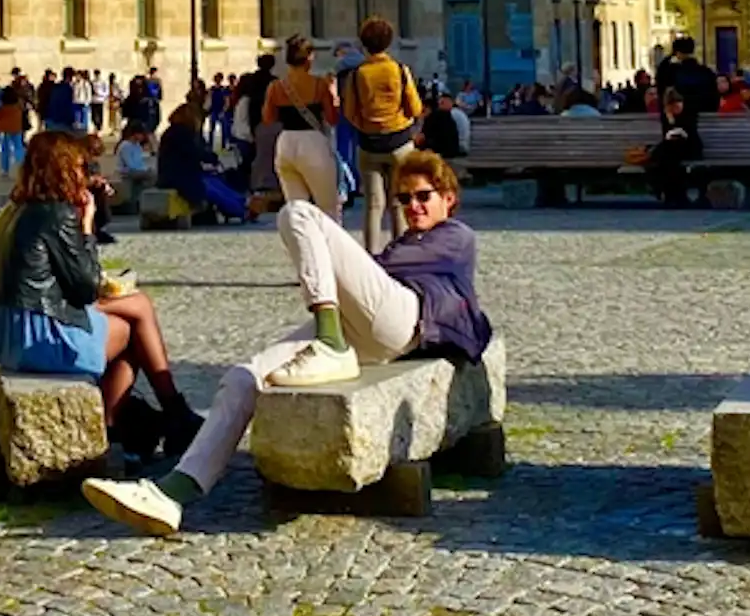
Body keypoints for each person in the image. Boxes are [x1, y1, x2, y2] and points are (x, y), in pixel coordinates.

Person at [82, 150, 492, 536]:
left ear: (449, 199)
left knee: (299, 213)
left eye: (424, 196)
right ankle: (175, 492)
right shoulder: (404, 244)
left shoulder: (458, 236)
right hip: (366, 328)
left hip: (408, 319)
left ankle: (330, 342)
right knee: (243, 377)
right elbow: (368, 271)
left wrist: (336, 260)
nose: (414, 206)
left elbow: (378, 272)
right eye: (405, 198)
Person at [0, 131, 202, 440]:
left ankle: (163, 415)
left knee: (138, 308)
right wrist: (86, 225)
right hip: (40, 339)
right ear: (63, 169)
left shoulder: (14, 211)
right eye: (81, 167)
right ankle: (130, 420)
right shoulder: (55, 214)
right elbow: (85, 287)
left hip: (11, 329)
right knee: (132, 327)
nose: (85, 174)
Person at [343, 16, 426, 252]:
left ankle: (370, 255)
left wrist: (367, 124)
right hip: (399, 141)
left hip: (369, 144)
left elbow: (349, 111)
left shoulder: (357, 74)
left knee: (373, 205)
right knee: (398, 203)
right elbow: (416, 107)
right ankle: (399, 253)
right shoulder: (399, 70)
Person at [265, 35, 341, 210]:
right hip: (313, 142)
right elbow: (332, 118)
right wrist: (333, 95)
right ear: (309, 58)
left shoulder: (276, 87)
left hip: (285, 142)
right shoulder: (319, 84)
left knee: (297, 210)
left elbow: (268, 119)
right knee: (328, 206)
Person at [158, 103, 248, 223]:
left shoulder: (174, 132)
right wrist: (213, 158)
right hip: (179, 178)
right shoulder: (182, 134)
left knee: (215, 184)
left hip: (177, 175)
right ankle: (240, 207)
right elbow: (196, 153)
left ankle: (241, 204)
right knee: (214, 189)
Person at [113, 125, 157, 207]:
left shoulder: (137, 146)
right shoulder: (125, 146)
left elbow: (139, 162)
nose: (143, 138)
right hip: (126, 171)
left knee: (152, 173)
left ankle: (140, 198)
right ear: (135, 134)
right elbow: (130, 164)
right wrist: (145, 171)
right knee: (152, 175)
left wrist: (145, 169)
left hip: (135, 170)